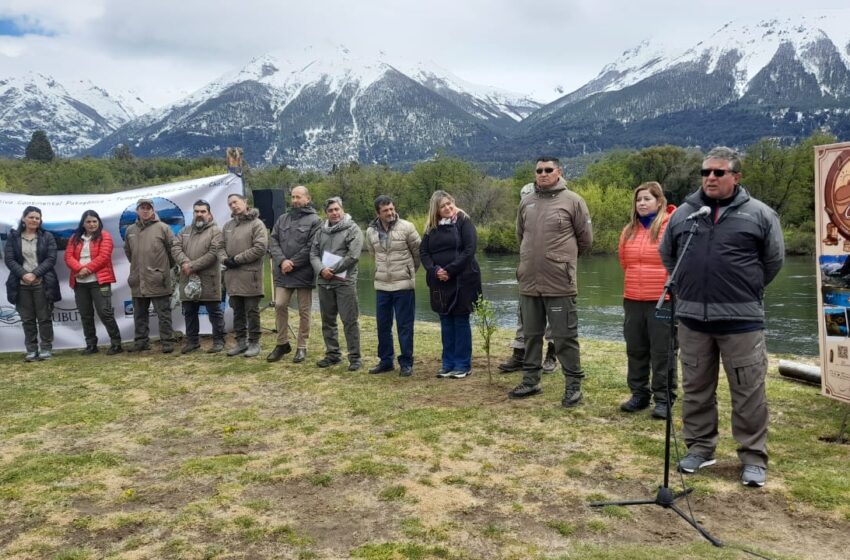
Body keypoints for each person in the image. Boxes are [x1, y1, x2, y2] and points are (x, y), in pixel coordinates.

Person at [659, 146, 784, 488]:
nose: (710, 178)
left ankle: (753, 457)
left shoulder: (760, 214)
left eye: (718, 172)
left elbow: (773, 262)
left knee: (748, 391)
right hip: (692, 319)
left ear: (736, 177)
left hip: (741, 320)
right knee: (696, 388)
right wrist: (686, 287)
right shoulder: (685, 213)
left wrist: (745, 288)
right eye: (705, 173)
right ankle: (700, 448)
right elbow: (669, 254)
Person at [508, 157, 593, 406]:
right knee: (531, 335)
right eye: (538, 170)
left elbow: (585, 240)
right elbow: (520, 236)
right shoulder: (526, 202)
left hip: (559, 283)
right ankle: (531, 381)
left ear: (559, 172)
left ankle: (573, 386)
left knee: (565, 337)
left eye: (548, 170)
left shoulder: (574, 201)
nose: (543, 174)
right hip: (529, 282)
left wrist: (561, 261)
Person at [618, 182, 676, 418]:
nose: (642, 203)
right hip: (633, 298)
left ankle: (664, 399)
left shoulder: (670, 227)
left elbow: (679, 262)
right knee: (636, 348)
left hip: (662, 299)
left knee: (663, 351)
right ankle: (639, 394)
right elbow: (624, 262)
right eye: (639, 199)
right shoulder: (628, 230)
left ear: (659, 201)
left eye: (647, 199)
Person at [498, 177, 558, 374]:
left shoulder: (560, 208)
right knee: (523, 313)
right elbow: (520, 239)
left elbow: (581, 240)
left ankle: (552, 353)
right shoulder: (523, 215)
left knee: (553, 314)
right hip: (528, 270)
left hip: (554, 271)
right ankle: (520, 354)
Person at [420, 190, 482, 379]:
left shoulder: (464, 221)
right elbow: (424, 253)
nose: (447, 208)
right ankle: (448, 363)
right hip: (439, 281)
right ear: (436, 210)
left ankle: (463, 365)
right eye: (442, 206)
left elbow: (470, 249)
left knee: (460, 320)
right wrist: (435, 270)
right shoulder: (431, 228)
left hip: (463, 279)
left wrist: (450, 270)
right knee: (446, 321)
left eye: (449, 203)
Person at [365, 195, 422, 377]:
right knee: (383, 325)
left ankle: (406, 363)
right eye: (385, 210)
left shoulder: (407, 227)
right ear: (378, 213)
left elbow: (418, 253)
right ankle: (386, 361)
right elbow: (373, 255)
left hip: (403, 285)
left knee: (404, 326)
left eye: (391, 208)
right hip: (382, 285)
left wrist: (408, 272)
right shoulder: (370, 232)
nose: (390, 213)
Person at [267, 186, 321, 364]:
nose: (295, 200)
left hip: (304, 273)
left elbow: (312, 246)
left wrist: (293, 263)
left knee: (304, 311)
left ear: (308, 198)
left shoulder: (315, 220)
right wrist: (282, 261)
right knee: (280, 305)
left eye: (299, 197)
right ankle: (282, 343)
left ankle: (302, 346)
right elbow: (273, 240)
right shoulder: (282, 219)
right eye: (293, 197)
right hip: (283, 272)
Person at [310, 197, 363, 370]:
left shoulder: (353, 229)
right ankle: (333, 355)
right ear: (326, 213)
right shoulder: (320, 231)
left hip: (344, 283)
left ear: (342, 209)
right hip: (324, 282)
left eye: (336, 209)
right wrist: (321, 270)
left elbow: (353, 256)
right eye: (330, 210)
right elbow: (313, 254)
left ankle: (355, 358)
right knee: (328, 321)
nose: (334, 213)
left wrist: (331, 269)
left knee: (349, 321)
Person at [4, 206, 60, 361]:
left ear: (40, 220)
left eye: (37, 218)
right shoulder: (14, 238)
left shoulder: (46, 236)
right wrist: (23, 275)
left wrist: (35, 274)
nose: (34, 220)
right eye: (31, 217)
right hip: (20, 285)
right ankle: (31, 349)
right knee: (27, 319)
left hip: (42, 283)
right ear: (24, 219)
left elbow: (51, 259)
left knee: (44, 317)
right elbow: (9, 259)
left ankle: (46, 349)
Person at [64, 210, 123, 355]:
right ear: (83, 224)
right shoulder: (75, 238)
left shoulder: (105, 236)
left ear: (99, 222)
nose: (91, 224)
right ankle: (91, 345)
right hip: (79, 282)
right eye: (88, 222)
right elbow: (68, 257)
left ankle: (116, 343)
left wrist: (87, 270)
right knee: (85, 314)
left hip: (99, 281)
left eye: (94, 221)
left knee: (105, 313)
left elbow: (104, 257)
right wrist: (80, 269)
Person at [172, 199, 226, 354]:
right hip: (188, 278)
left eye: (203, 211)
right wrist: (185, 263)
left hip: (209, 279)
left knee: (214, 313)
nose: (199, 214)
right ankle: (193, 342)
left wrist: (192, 266)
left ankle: (218, 341)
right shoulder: (185, 231)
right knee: (189, 312)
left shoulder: (216, 231)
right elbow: (175, 247)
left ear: (209, 214)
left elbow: (213, 253)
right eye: (196, 211)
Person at [124, 197, 176, 353]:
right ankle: (141, 342)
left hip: (158, 278)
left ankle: (167, 341)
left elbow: (172, 252)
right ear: (137, 210)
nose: (145, 210)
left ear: (153, 210)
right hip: (138, 279)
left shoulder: (163, 228)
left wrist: (162, 270)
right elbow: (129, 253)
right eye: (142, 208)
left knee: (163, 314)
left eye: (148, 208)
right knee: (139, 314)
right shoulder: (130, 230)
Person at [222, 193, 269, 358]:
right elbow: (220, 247)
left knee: (252, 311)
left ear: (245, 202)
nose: (233, 205)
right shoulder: (228, 226)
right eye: (230, 204)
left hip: (250, 276)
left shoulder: (257, 224)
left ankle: (254, 343)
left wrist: (236, 259)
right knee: (237, 312)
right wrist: (224, 259)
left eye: (235, 202)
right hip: (232, 277)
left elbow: (260, 248)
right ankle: (240, 342)